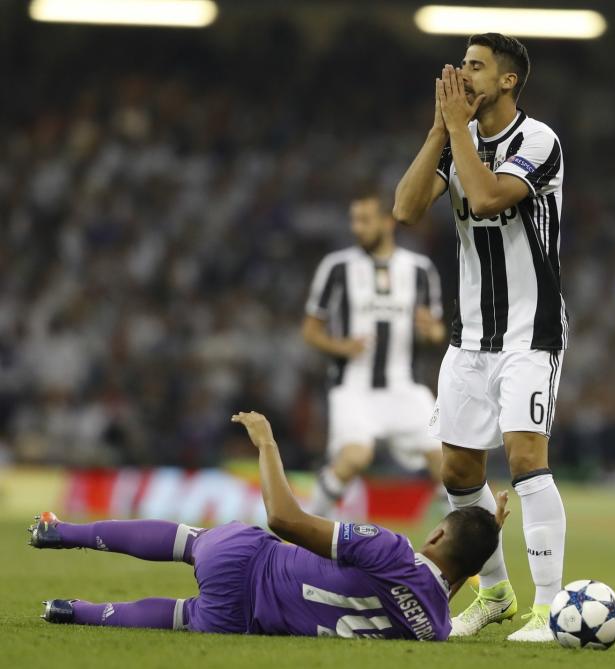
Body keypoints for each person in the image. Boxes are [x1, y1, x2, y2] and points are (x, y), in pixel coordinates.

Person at [30, 411, 507, 641]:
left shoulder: (392, 550)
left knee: (186, 541)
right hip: (242, 622)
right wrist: (487, 537)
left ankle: (61, 533)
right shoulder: (435, 628)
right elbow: (434, 588)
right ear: (466, 571)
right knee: (179, 615)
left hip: (249, 559)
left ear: (437, 535)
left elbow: (285, 519)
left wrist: (267, 445)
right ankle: (70, 611)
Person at [392, 33, 568, 642]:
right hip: (471, 335)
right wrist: (442, 131)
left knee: (524, 459)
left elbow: (490, 198)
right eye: (461, 64)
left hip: (530, 330)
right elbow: (406, 208)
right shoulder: (456, 140)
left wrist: (459, 133)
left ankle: (548, 608)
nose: (463, 73)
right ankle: (494, 593)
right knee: (459, 469)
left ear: (509, 80)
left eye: (476, 66)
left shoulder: (538, 140)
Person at [302, 190, 447, 515]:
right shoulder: (337, 267)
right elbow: (310, 330)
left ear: (387, 221)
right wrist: (341, 346)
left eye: (365, 220)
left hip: (404, 387)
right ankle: (303, 527)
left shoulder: (420, 270)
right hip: (354, 386)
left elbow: (436, 331)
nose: (357, 227)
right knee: (355, 457)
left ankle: (462, 555)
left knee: (447, 464)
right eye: (354, 220)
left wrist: (430, 330)